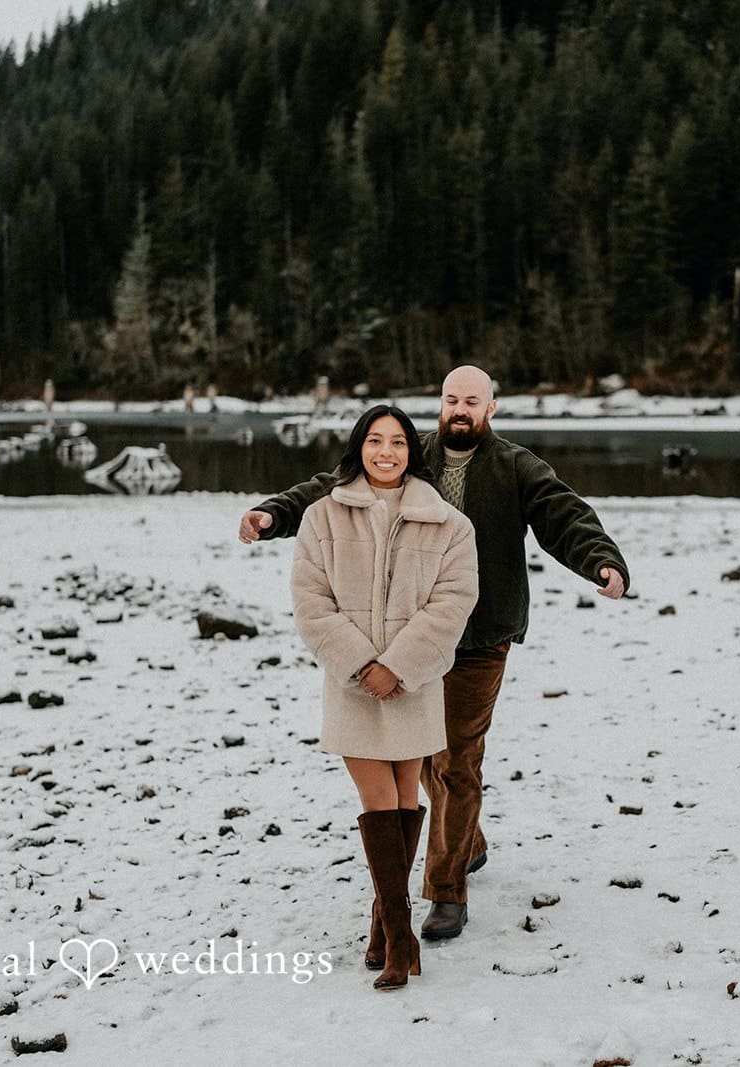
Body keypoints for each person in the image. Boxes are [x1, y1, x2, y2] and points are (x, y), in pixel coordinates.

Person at [243, 365, 629, 941]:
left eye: (472, 401)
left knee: (455, 759)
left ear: (491, 409)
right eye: (452, 399)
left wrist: (602, 560)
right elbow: (333, 484)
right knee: (421, 758)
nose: (460, 410)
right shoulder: (410, 452)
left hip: (479, 637)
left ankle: (446, 891)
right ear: (441, 405)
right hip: (404, 641)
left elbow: (563, 513)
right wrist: (274, 514)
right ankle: (465, 841)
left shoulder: (515, 467)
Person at [290, 404, 478, 990]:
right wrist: (363, 665)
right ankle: (402, 938)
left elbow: (453, 604)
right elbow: (311, 604)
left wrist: (397, 666)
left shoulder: (449, 524)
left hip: (415, 683)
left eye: (397, 442)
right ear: (359, 447)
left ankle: (382, 925)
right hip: (351, 684)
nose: (387, 452)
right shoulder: (322, 517)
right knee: (378, 800)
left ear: (410, 452)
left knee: (403, 798)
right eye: (375, 441)